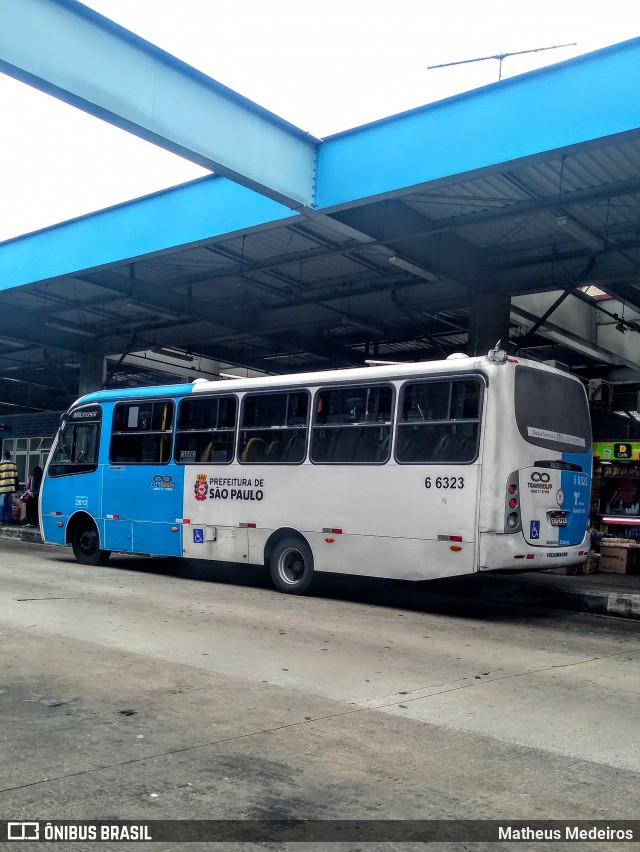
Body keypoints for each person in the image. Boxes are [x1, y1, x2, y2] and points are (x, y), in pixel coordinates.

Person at [0, 450, 19, 525]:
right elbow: (16, 478)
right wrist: (16, 489)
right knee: (9, 505)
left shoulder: (1, 465)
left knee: (1, 505)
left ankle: (1, 520)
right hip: (11, 488)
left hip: (2, 488)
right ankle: (8, 520)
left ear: (4, 456)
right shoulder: (13, 465)